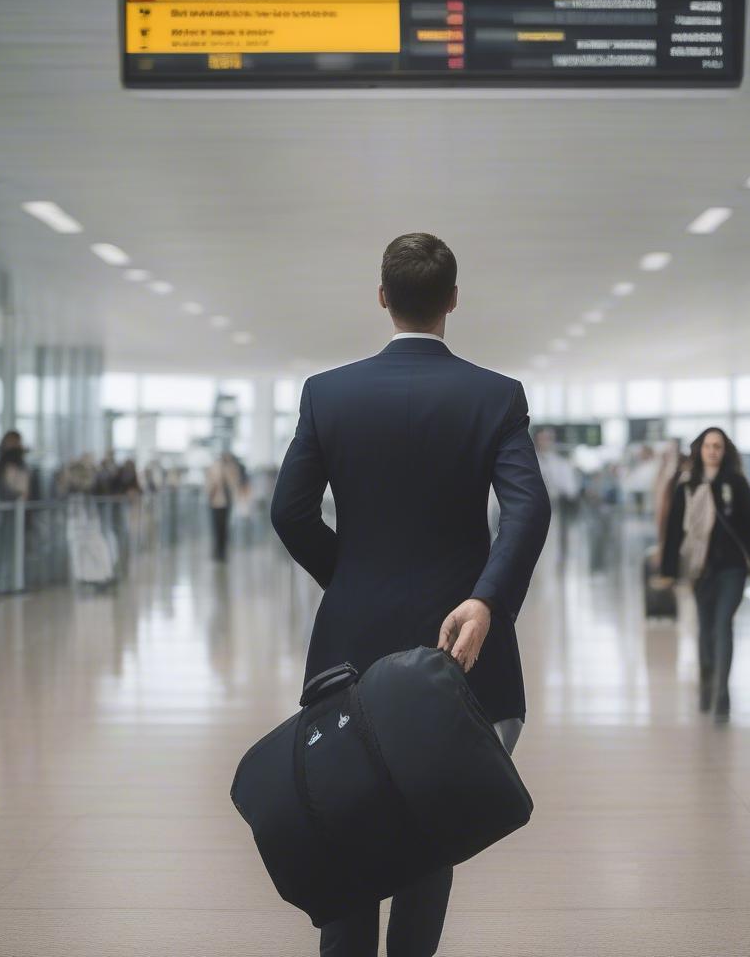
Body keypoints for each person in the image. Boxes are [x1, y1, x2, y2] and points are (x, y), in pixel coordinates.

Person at [271, 232, 551, 957]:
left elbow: (290, 512)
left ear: (383, 298)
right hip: (459, 645)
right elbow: (529, 508)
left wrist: (352, 574)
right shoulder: (495, 396)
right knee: (432, 827)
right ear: (453, 300)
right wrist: (486, 599)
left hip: (349, 642)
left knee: (345, 817)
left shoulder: (327, 394)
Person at [659, 427, 750, 723]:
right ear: (700, 450)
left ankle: (721, 693)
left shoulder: (736, 484)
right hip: (700, 570)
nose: (713, 451)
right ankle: (706, 682)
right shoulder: (687, 485)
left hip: (733, 569)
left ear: (724, 450)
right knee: (705, 629)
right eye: (708, 446)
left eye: (718, 446)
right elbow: (674, 530)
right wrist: (668, 571)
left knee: (722, 625)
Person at [534, 427, 578, 563]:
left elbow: (571, 490)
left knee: (551, 551)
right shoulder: (529, 461)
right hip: (531, 513)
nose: (545, 442)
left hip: (555, 512)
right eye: (542, 439)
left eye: (548, 439)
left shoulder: (561, 464)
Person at [205, 452, 241, 562]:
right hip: (216, 502)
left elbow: (234, 483)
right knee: (217, 528)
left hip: (226, 502)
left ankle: (222, 552)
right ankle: (217, 551)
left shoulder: (230, 468)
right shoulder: (214, 468)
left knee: (224, 528)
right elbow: (209, 485)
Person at [0, 430, 30, 501]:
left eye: (15, 442)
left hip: (17, 500)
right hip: (3, 498)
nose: (12, 444)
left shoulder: (21, 463)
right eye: (10, 441)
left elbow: (22, 489)